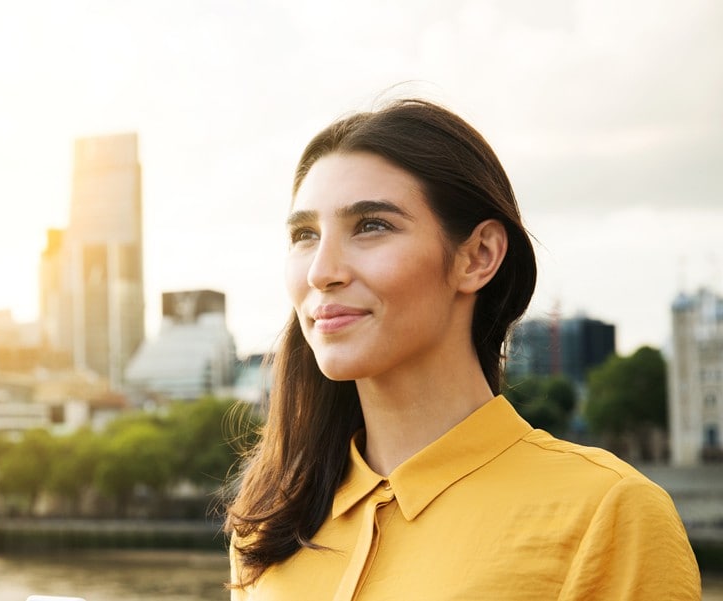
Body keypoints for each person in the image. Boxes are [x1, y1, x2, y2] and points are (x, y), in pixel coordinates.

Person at [224, 99, 700, 600]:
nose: (322, 271)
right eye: (305, 235)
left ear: (478, 256)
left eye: (371, 225)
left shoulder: (608, 514)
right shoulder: (270, 525)